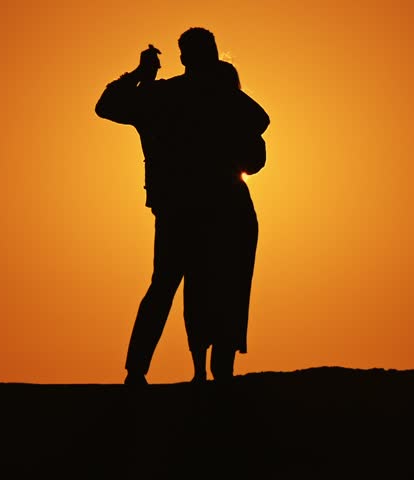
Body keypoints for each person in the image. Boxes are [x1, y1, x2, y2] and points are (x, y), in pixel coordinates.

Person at [95, 27, 269, 386]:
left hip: (183, 209)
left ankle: (139, 371)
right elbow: (260, 122)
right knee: (222, 286)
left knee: (168, 286)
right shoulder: (221, 95)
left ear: (183, 56)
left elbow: (108, 104)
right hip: (220, 207)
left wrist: (141, 75)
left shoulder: (160, 96)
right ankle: (212, 371)